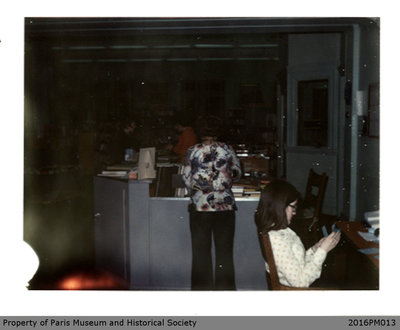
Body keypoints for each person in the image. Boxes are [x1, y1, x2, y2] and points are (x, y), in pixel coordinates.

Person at [182, 115, 242, 290]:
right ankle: (224, 295)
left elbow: (186, 178)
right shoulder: (228, 149)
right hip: (225, 208)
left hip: (200, 207)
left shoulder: (192, 150)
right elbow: (237, 173)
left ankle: (202, 296)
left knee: (200, 254)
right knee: (224, 254)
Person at [254, 179, 341, 288]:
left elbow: (297, 263)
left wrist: (315, 249)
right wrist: (323, 251)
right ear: (280, 207)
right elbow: (301, 283)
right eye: (293, 207)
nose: (295, 212)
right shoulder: (277, 239)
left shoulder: (280, 230)